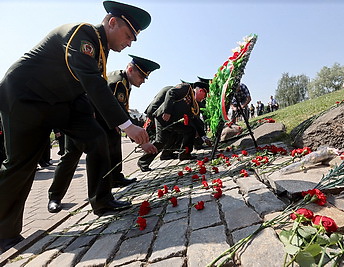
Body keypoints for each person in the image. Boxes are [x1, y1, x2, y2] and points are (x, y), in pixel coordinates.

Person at [0, 0, 156, 254]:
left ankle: (102, 200)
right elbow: (92, 84)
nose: (129, 43)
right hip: (25, 96)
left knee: (97, 137)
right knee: (20, 164)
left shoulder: (100, 54)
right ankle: (4, 235)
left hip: (61, 102)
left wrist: (107, 125)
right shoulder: (83, 35)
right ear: (111, 22)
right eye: (128, 36)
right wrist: (127, 125)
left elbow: (87, 94)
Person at [47, 55, 160, 213]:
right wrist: (138, 136)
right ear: (130, 69)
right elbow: (114, 107)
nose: (143, 80)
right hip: (82, 119)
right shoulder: (117, 82)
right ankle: (55, 197)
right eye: (141, 75)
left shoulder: (125, 83)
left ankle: (113, 181)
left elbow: (120, 109)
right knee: (71, 156)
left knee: (108, 148)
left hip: (99, 123)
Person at [137, 80, 210, 172]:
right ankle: (143, 161)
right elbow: (171, 93)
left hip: (173, 122)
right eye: (205, 95)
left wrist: (203, 136)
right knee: (160, 141)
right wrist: (167, 111)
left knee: (190, 130)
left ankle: (185, 154)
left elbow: (196, 121)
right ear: (201, 91)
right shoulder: (186, 88)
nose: (204, 98)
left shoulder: (194, 104)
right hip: (162, 117)